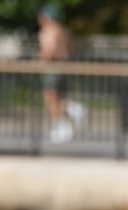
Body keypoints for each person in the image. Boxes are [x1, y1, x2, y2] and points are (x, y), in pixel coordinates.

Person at [37, 3, 84, 144]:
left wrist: (40, 61)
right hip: (64, 66)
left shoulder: (48, 30)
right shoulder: (63, 30)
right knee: (60, 97)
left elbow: (49, 51)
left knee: (50, 97)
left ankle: (64, 125)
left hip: (54, 67)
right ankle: (74, 109)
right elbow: (71, 49)